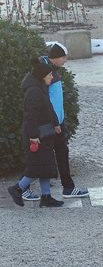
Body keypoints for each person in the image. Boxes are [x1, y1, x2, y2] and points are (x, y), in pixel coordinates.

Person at [6, 58, 64, 208]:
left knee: (44, 165)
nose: (52, 77)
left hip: (44, 133)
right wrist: (33, 137)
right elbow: (30, 116)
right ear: (42, 76)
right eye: (49, 75)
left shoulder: (40, 88)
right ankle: (17, 188)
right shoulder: (33, 92)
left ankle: (46, 197)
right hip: (37, 135)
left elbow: (48, 107)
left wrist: (56, 123)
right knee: (37, 167)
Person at [44, 43, 88, 199]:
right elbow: (46, 100)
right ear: (54, 58)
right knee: (48, 154)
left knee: (59, 152)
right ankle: (21, 187)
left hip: (57, 120)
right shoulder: (47, 73)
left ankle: (68, 187)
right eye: (63, 57)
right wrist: (55, 122)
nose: (65, 60)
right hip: (52, 122)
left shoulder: (52, 71)